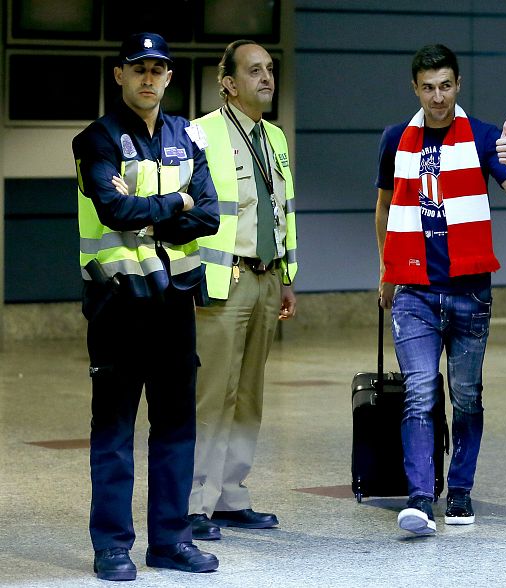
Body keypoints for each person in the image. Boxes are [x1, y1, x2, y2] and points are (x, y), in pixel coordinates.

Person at [72, 32, 220, 580]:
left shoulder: (187, 136)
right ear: (120, 75)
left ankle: (171, 542)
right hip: (116, 303)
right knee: (113, 432)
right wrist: (173, 201)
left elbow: (207, 214)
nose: (149, 78)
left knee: (176, 428)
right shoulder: (97, 139)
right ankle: (112, 547)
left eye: (158, 69)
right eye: (139, 68)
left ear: (169, 78)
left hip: (173, 302)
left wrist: (156, 208)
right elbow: (111, 209)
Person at [375, 44, 506, 535]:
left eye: (446, 86)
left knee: (466, 396)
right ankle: (421, 497)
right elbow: (384, 208)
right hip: (415, 291)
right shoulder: (395, 139)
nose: (438, 97)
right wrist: (386, 271)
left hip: (469, 291)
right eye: (428, 87)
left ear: (458, 84)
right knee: (420, 392)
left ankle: (461, 491)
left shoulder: (485, 138)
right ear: (415, 88)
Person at [187, 39, 298, 542]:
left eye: (270, 70)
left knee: (250, 395)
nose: (267, 78)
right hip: (223, 280)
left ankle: (232, 496)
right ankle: (194, 503)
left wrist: (288, 277)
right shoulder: (200, 135)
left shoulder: (274, 137)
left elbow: (283, 211)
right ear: (229, 83)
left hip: (267, 277)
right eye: (255, 71)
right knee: (214, 394)